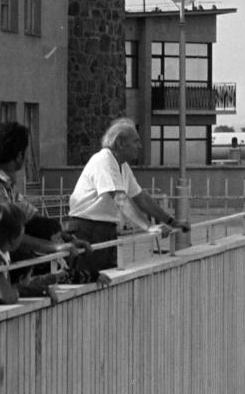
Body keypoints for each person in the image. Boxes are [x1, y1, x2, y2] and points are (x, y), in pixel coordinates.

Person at [0, 121, 84, 272]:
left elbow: (29, 216)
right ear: (19, 155)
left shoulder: (1, 179)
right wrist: (53, 247)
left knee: (45, 230)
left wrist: (65, 238)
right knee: (30, 264)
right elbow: (3, 231)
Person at [66, 119, 177, 280]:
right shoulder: (103, 161)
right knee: (88, 281)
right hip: (87, 230)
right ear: (120, 143)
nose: (140, 146)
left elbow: (141, 197)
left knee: (108, 280)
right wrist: (148, 227)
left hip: (106, 229)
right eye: (135, 141)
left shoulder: (122, 165)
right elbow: (120, 198)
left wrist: (171, 221)